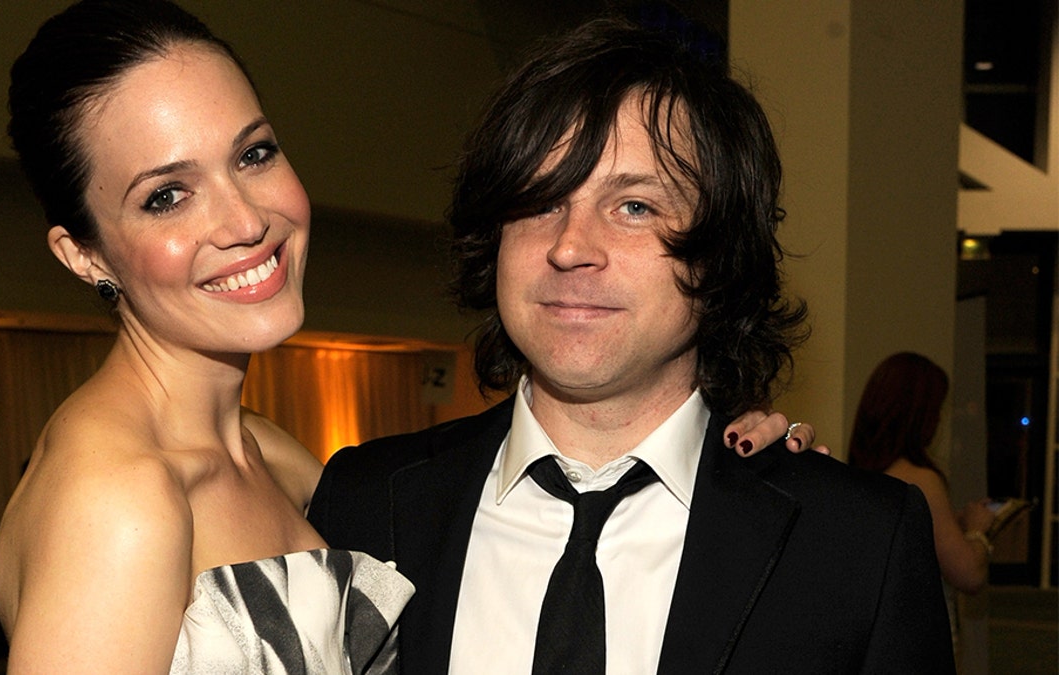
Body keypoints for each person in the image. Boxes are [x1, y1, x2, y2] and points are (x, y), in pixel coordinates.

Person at [0, 2, 807, 672]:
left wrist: (738, 468)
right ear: (83, 250)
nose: (243, 220)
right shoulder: (120, 500)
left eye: (254, 154)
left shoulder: (280, 461)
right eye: (167, 195)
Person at [308, 17, 956, 674]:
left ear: (721, 254)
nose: (569, 246)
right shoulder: (366, 501)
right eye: (538, 202)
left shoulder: (855, 544)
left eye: (635, 207)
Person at [848, 352, 996, 646]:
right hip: (915, 638)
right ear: (919, 414)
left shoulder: (861, 473)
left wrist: (952, 522)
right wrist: (979, 530)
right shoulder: (920, 479)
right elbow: (968, 574)